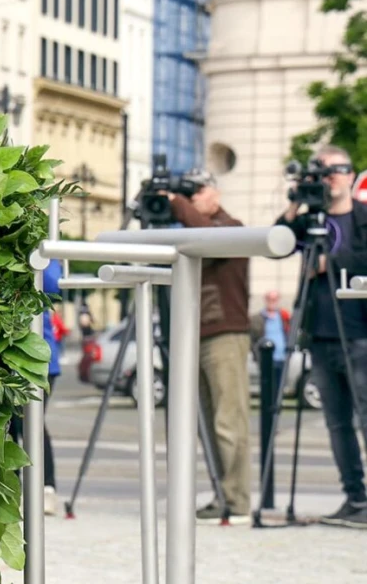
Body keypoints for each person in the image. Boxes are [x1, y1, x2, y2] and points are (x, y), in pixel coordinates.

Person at [276, 144, 367, 529]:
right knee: (337, 424)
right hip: (321, 334)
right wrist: (296, 202)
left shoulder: (363, 218)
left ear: (351, 175)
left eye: (337, 170)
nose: (331, 177)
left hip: (361, 333)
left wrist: (331, 262)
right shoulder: (309, 220)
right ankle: (355, 498)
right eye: (323, 172)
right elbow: (275, 243)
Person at [166, 173, 252, 524]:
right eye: (189, 194)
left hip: (225, 333)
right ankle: (222, 494)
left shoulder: (232, 226)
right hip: (192, 333)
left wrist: (177, 202)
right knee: (203, 422)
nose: (193, 198)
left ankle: (239, 502)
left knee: (228, 422)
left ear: (216, 193)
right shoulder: (187, 227)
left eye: (198, 191)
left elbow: (209, 239)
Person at [10, 258, 61, 515]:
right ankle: (16, 486)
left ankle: (45, 488)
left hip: (39, 358)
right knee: (9, 424)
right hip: (7, 355)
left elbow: (53, 284)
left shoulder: (42, 248)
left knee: (31, 423)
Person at [249, 290, 290, 379]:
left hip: (282, 358)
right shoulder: (257, 318)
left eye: (274, 299)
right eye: (269, 299)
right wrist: (256, 354)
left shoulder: (283, 316)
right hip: (266, 359)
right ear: (265, 300)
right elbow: (252, 340)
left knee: (280, 387)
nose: (272, 302)